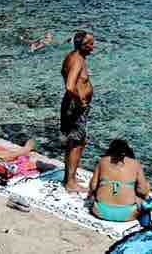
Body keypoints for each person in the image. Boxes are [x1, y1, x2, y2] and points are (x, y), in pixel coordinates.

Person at [61, 30, 95, 192]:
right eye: (90, 44)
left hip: (71, 106)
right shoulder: (77, 61)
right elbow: (70, 85)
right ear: (81, 45)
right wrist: (80, 101)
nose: (93, 47)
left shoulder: (73, 56)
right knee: (77, 143)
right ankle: (70, 182)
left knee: (74, 142)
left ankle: (69, 177)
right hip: (75, 108)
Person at [89, 139, 151, 222]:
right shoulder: (136, 164)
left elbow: (93, 187)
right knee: (145, 187)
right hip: (128, 213)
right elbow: (142, 191)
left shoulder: (102, 161)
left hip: (100, 211)